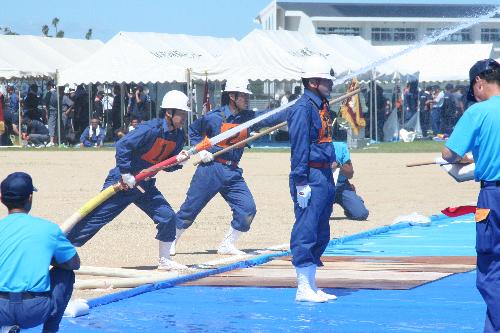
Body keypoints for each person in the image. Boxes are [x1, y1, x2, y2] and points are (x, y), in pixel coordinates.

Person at [66, 90, 191, 271]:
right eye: (181, 114)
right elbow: (123, 145)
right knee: (96, 218)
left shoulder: (178, 136)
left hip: (145, 184)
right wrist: (125, 173)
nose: (184, 118)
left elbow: (166, 165)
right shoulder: (150, 129)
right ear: (168, 113)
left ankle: (164, 260)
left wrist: (179, 161)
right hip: (123, 182)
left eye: (185, 114)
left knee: (168, 217)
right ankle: (61, 252)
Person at [172, 79, 287, 257]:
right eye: (243, 96)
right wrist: (202, 151)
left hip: (232, 171)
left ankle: (227, 244)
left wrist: (296, 109)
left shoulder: (248, 118)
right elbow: (194, 131)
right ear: (232, 96)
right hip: (210, 169)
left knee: (247, 209)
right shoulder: (214, 116)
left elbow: (272, 117)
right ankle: (172, 239)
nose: (247, 99)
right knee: (190, 209)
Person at [442, 58, 500, 333]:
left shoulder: (478, 112)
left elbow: (448, 154)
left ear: (479, 83)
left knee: (490, 273)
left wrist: (461, 157)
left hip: (494, 195)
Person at [0, 172, 79, 333]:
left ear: (2, 199)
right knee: (66, 274)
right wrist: (48, 258)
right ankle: (49, 330)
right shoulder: (48, 229)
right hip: (34, 310)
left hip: (1, 310)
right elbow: (74, 263)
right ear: (30, 198)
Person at [287, 55, 337, 303]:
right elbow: (299, 148)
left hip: (325, 173)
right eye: (327, 80)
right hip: (310, 174)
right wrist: (300, 182)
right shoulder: (302, 108)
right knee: (306, 229)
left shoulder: (322, 106)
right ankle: (302, 287)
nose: (331, 84)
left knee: (321, 229)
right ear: (314, 82)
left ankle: (312, 284)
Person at [331, 141, 369, 220]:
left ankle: (354, 200)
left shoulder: (340, 146)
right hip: (323, 188)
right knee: (322, 216)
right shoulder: (313, 147)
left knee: (362, 214)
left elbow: (350, 174)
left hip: (341, 187)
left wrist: (339, 166)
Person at [44, 81, 58, 147]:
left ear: (50, 86)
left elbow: (46, 105)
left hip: (51, 111)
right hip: (57, 111)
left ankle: (52, 141)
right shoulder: (57, 93)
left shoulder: (49, 93)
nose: (46, 87)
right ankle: (55, 141)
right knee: (56, 126)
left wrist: (46, 114)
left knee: (51, 126)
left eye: (47, 86)